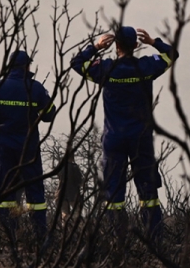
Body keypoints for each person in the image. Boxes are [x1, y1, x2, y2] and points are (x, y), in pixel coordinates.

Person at [70, 26, 178, 246]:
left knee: (113, 194)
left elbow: (76, 64)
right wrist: (154, 41)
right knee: (147, 192)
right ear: (135, 45)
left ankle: (115, 241)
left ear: (116, 45)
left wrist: (95, 47)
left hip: (114, 139)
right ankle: (154, 240)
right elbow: (172, 55)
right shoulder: (146, 67)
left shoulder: (105, 69)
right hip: (141, 139)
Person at [0, 50, 57, 241]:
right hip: (29, 148)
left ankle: (8, 233)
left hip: (6, 145)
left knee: (6, 189)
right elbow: (49, 115)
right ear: (27, 66)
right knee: (34, 190)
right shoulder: (35, 88)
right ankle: (40, 234)